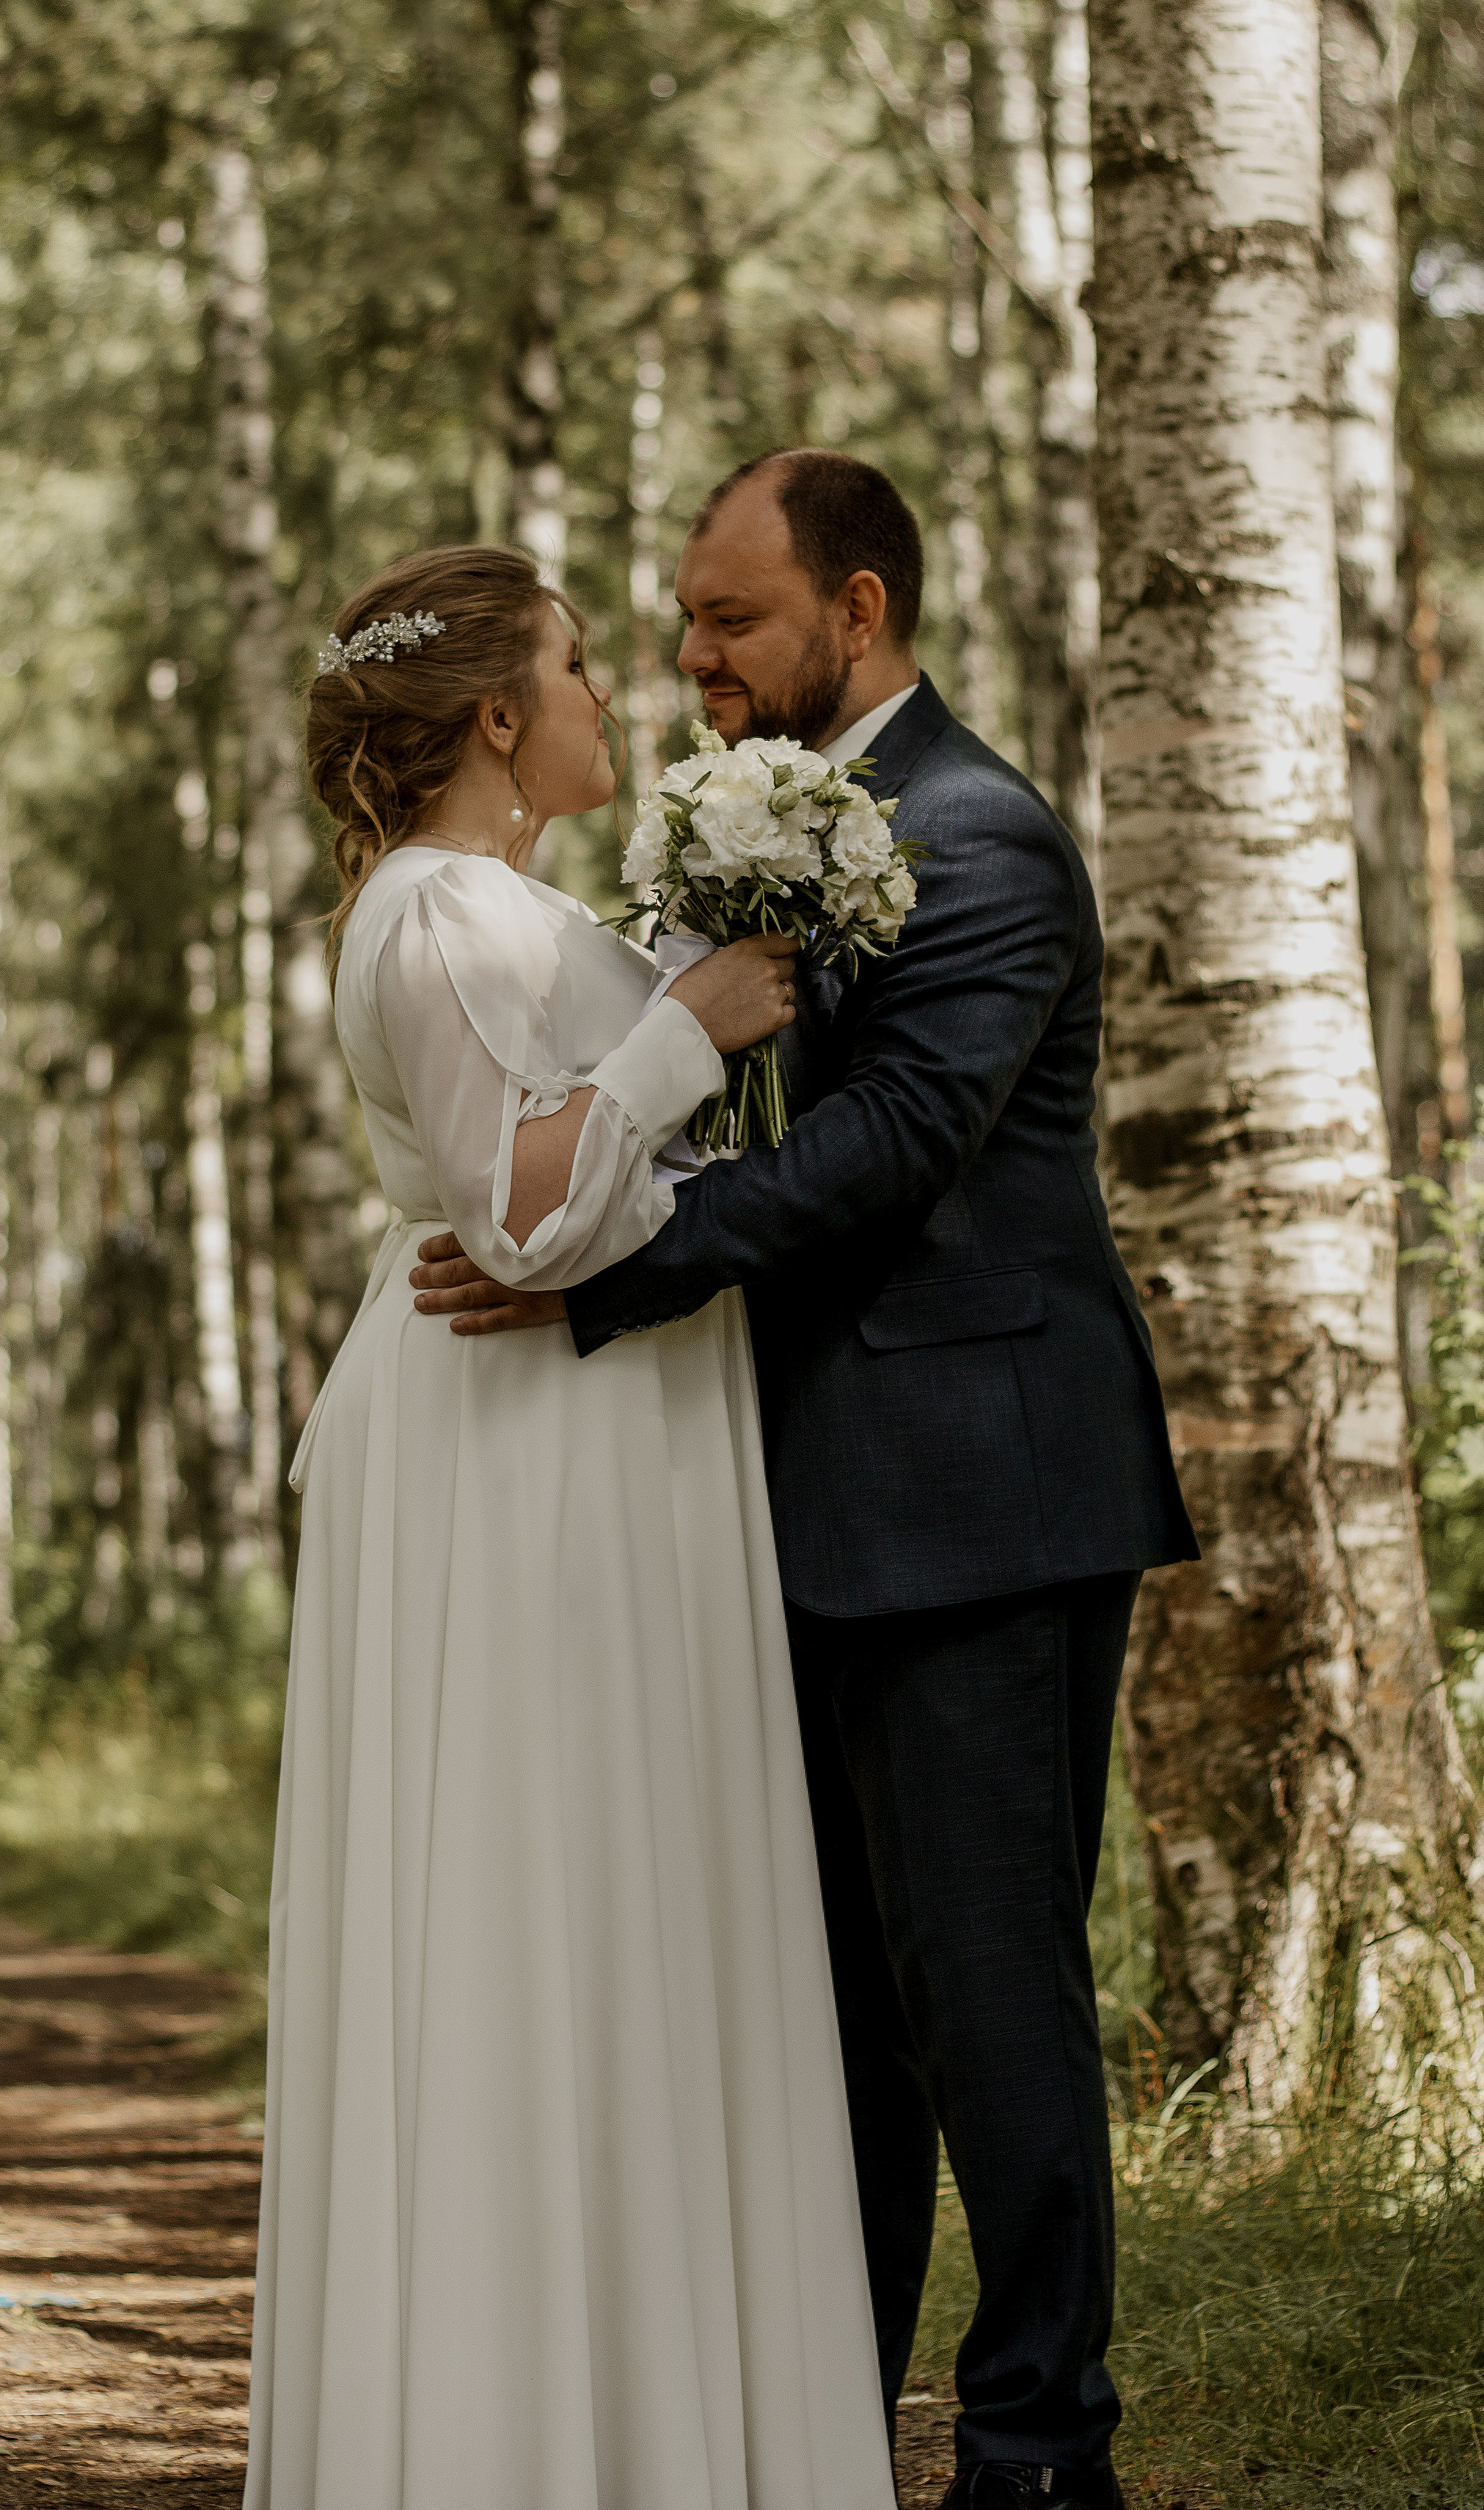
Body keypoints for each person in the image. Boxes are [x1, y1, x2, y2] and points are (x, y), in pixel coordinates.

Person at [411, 450, 1199, 2510]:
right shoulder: (723, 840)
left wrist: (595, 1280)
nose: (691, 660)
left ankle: (1039, 2457)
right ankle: (817, 2443)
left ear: (856, 615)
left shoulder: (985, 839)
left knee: (984, 1999)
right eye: (674, 621)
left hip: (981, 1502)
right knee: (826, 2029)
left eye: (732, 621)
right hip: (779, 1513)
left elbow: (886, 1151)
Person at [246, 540, 896, 2509]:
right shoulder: (435, 916)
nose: (623, 695)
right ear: (502, 717)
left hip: (589, 1439)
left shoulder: (489, 899)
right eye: (582, 666)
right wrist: (693, 1026)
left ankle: (641, 2413)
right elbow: (528, 1219)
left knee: (622, 1908)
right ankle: (516, 2434)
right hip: (514, 1455)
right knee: (539, 1911)